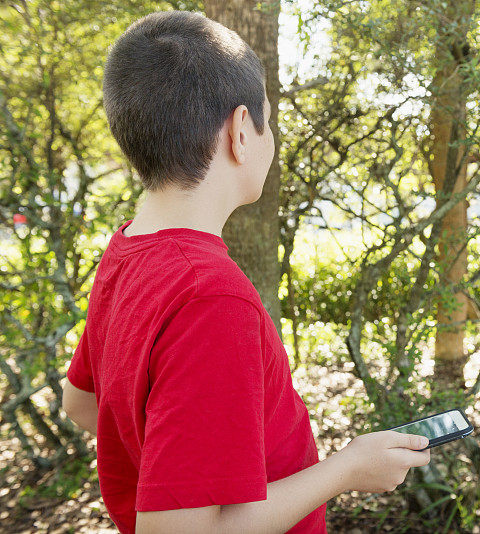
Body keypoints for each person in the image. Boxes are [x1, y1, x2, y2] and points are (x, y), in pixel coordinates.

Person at [61, 10, 430, 534]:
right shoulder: (210, 298)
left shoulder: (128, 251)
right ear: (240, 131)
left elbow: (80, 401)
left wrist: (176, 466)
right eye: (268, 120)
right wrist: (346, 469)